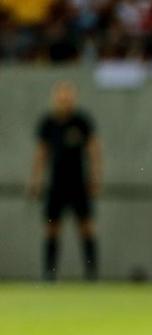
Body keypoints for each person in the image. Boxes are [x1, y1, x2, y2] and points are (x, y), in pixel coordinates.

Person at [28, 81, 103, 281]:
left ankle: (91, 273)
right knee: (52, 228)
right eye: (61, 97)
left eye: (68, 97)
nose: (64, 101)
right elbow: (41, 154)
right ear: (55, 99)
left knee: (86, 227)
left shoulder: (81, 122)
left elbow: (94, 150)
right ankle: (49, 273)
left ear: (73, 99)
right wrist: (35, 181)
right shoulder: (48, 123)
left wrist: (95, 177)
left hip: (79, 184)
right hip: (56, 185)